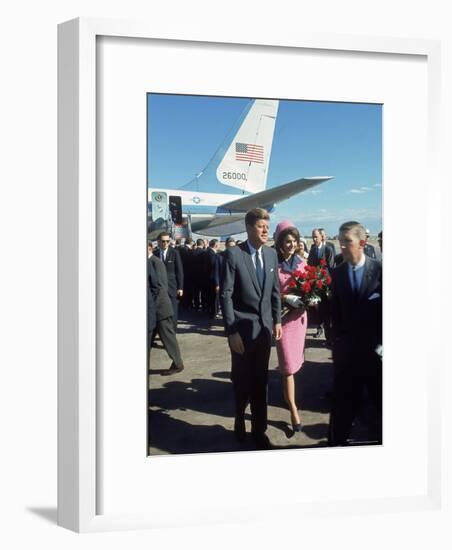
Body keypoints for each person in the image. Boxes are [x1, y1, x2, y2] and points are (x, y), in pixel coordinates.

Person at [220, 208, 282, 450]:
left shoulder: (271, 255)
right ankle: (239, 418)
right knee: (241, 381)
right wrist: (231, 331)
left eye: (268, 226)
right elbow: (225, 295)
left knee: (261, 382)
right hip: (242, 333)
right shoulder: (234, 255)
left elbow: (275, 291)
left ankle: (259, 430)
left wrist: (276, 319)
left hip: (264, 330)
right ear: (248, 228)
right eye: (260, 226)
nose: (266, 230)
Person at [328, 221, 382, 446]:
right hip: (347, 355)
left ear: (362, 243)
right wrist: (336, 343)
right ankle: (336, 444)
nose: (341, 246)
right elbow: (335, 313)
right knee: (342, 407)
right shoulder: (337, 274)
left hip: (374, 354)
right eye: (340, 241)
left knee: (380, 406)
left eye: (347, 242)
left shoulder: (380, 271)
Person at [274, 221, 308, 433]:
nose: (292, 245)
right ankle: (293, 409)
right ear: (279, 242)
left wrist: (311, 298)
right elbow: (268, 293)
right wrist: (286, 297)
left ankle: (289, 397)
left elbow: (312, 285)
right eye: (287, 241)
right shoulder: (272, 264)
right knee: (287, 366)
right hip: (283, 321)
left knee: (294, 363)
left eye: (294, 241)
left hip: (299, 319)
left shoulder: (302, 262)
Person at [148, 242, 185, 376]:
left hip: (159, 308)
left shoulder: (154, 262)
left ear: (150, 248)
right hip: (156, 308)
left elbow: (158, 287)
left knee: (168, 338)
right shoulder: (154, 261)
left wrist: (153, 308)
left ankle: (178, 363)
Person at [308, 228, 334, 342]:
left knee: (327, 310)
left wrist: (323, 276)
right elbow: (309, 264)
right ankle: (319, 328)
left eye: (316, 237)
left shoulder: (328, 249)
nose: (314, 239)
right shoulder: (312, 250)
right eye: (313, 237)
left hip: (325, 284)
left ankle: (329, 336)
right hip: (315, 284)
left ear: (321, 237)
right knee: (318, 309)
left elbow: (331, 266)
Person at [154, 231, 184, 331]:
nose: (165, 243)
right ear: (158, 242)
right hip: (158, 288)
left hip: (172, 287)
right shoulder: (155, 254)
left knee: (173, 311)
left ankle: (172, 332)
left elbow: (179, 271)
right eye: (163, 241)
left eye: (167, 241)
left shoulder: (174, 253)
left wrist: (180, 287)